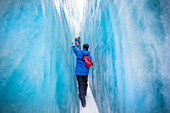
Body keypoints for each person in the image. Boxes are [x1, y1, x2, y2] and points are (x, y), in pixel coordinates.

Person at [72, 39, 92, 107]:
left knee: (81, 86)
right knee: (85, 83)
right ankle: (85, 92)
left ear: (83, 47)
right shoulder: (89, 56)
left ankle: (83, 100)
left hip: (79, 73)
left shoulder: (79, 52)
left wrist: (74, 43)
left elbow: (74, 48)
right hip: (85, 73)